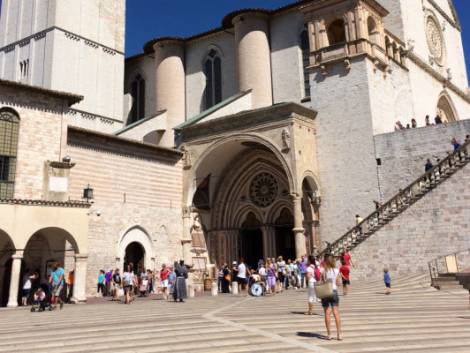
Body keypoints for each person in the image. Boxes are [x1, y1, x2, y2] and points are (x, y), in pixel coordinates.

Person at [321, 254, 342, 341]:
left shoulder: (323, 271)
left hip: (326, 292)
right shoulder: (336, 270)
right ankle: (339, 334)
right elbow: (338, 283)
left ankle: (329, 334)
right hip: (334, 291)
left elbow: (322, 282)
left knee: (327, 313)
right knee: (336, 312)